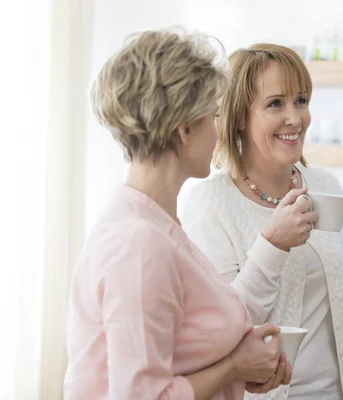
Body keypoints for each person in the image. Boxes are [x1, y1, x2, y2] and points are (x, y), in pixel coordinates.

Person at [64, 29, 292, 400]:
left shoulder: (155, 224)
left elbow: (177, 360)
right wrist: (233, 367)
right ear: (185, 128)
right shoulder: (138, 244)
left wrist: (243, 365)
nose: (220, 133)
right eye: (214, 117)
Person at [180, 43, 343, 400]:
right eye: (275, 103)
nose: (295, 118)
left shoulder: (325, 186)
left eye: (301, 100)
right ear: (239, 117)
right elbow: (220, 332)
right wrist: (272, 245)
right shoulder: (209, 204)